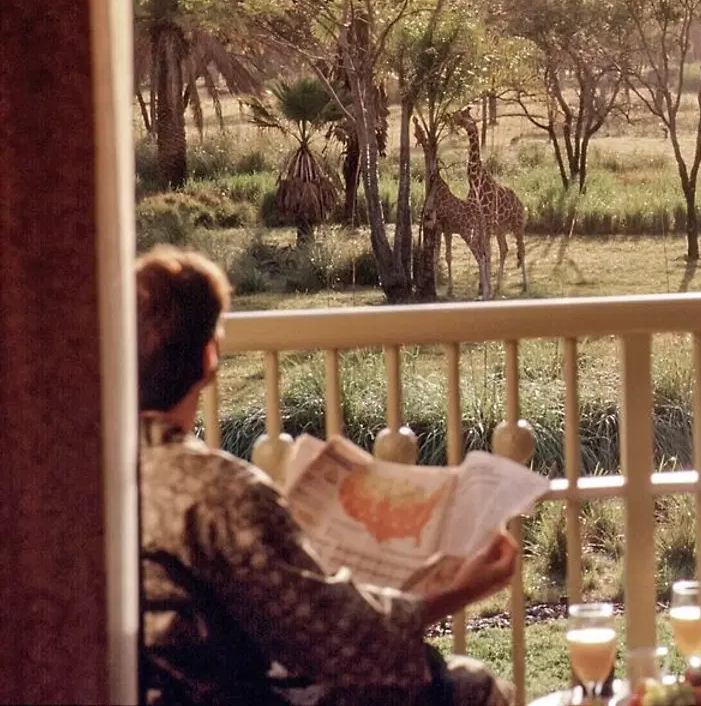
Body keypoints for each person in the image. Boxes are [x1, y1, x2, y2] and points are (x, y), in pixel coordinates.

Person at [137, 246, 516, 706]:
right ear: (210, 356)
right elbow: (341, 650)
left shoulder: (93, 476)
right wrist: (457, 591)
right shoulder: (222, 493)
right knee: (468, 684)